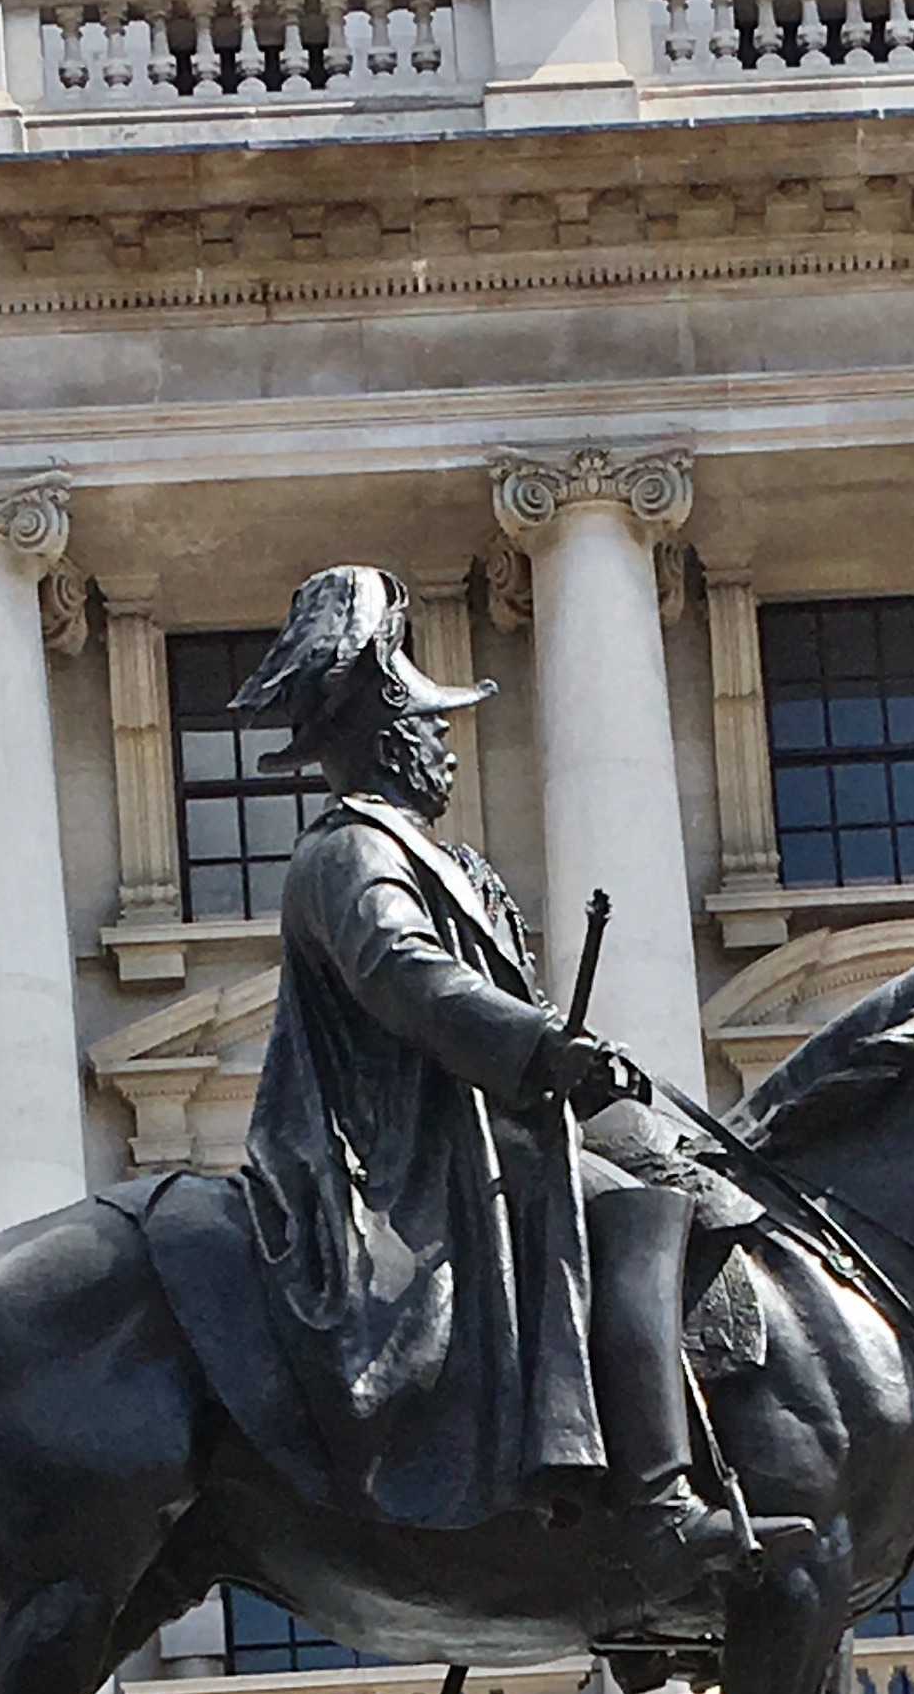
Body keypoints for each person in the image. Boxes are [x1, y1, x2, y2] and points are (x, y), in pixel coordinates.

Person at [226, 561, 813, 1607]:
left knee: (674, 1167)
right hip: (408, 1151)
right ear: (388, 730)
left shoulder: (441, 859)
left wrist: (562, 1062)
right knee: (635, 1209)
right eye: (430, 717)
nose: (448, 738)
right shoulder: (351, 852)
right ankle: (663, 1508)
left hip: (484, 1126)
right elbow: (407, 977)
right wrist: (541, 1047)